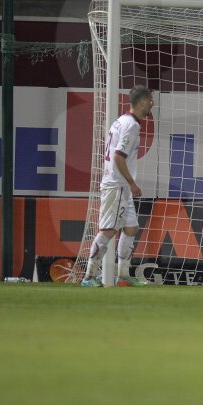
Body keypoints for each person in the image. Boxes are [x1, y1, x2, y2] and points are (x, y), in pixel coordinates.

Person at [80, 85, 154, 288]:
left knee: (131, 227)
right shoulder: (131, 125)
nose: (152, 104)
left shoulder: (121, 121)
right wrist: (132, 183)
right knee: (108, 230)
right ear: (141, 102)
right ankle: (88, 277)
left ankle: (123, 274)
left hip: (121, 187)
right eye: (149, 100)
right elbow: (118, 157)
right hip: (117, 185)